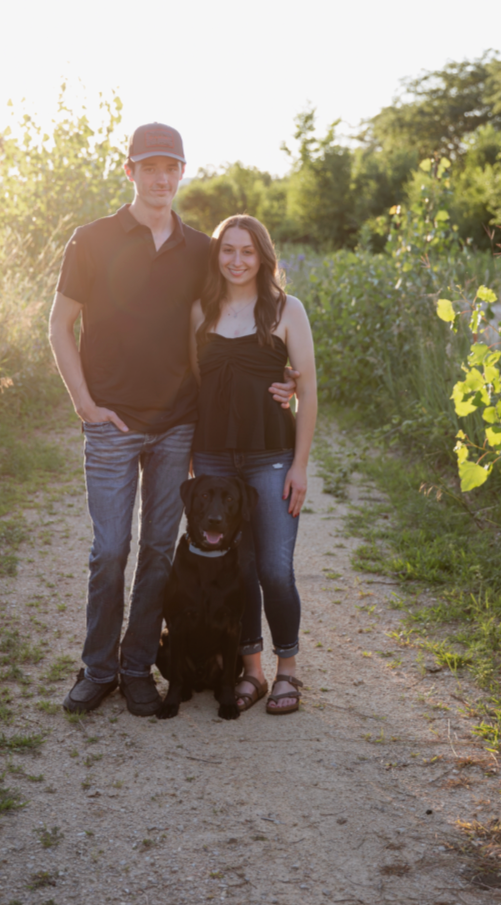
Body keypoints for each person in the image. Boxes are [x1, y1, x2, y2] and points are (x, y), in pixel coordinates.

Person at [48, 123, 296, 717]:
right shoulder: (91, 240)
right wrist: (83, 402)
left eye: (171, 168)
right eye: (149, 167)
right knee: (110, 550)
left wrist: (278, 382)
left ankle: (137, 668)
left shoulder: (198, 250)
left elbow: (234, 316)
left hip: (176, 424)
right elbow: (59, 325)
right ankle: (97, 668)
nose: (161, 178)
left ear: (181, 173)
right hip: (110, 420)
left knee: (161, 550)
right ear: (129, 171)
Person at [190, 214, 317, 714]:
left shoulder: (287, 310)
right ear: (217, 255)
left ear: (263, 256)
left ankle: (288, 671)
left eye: (247, 251)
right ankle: (253, 672)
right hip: (215, 457)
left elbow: (306, 391)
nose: (236, 260)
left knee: (274, 569)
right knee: (236, 569)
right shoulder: (200, 310)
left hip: (271, 457)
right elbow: (190, 383)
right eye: (227, 250)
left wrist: (299, 465)